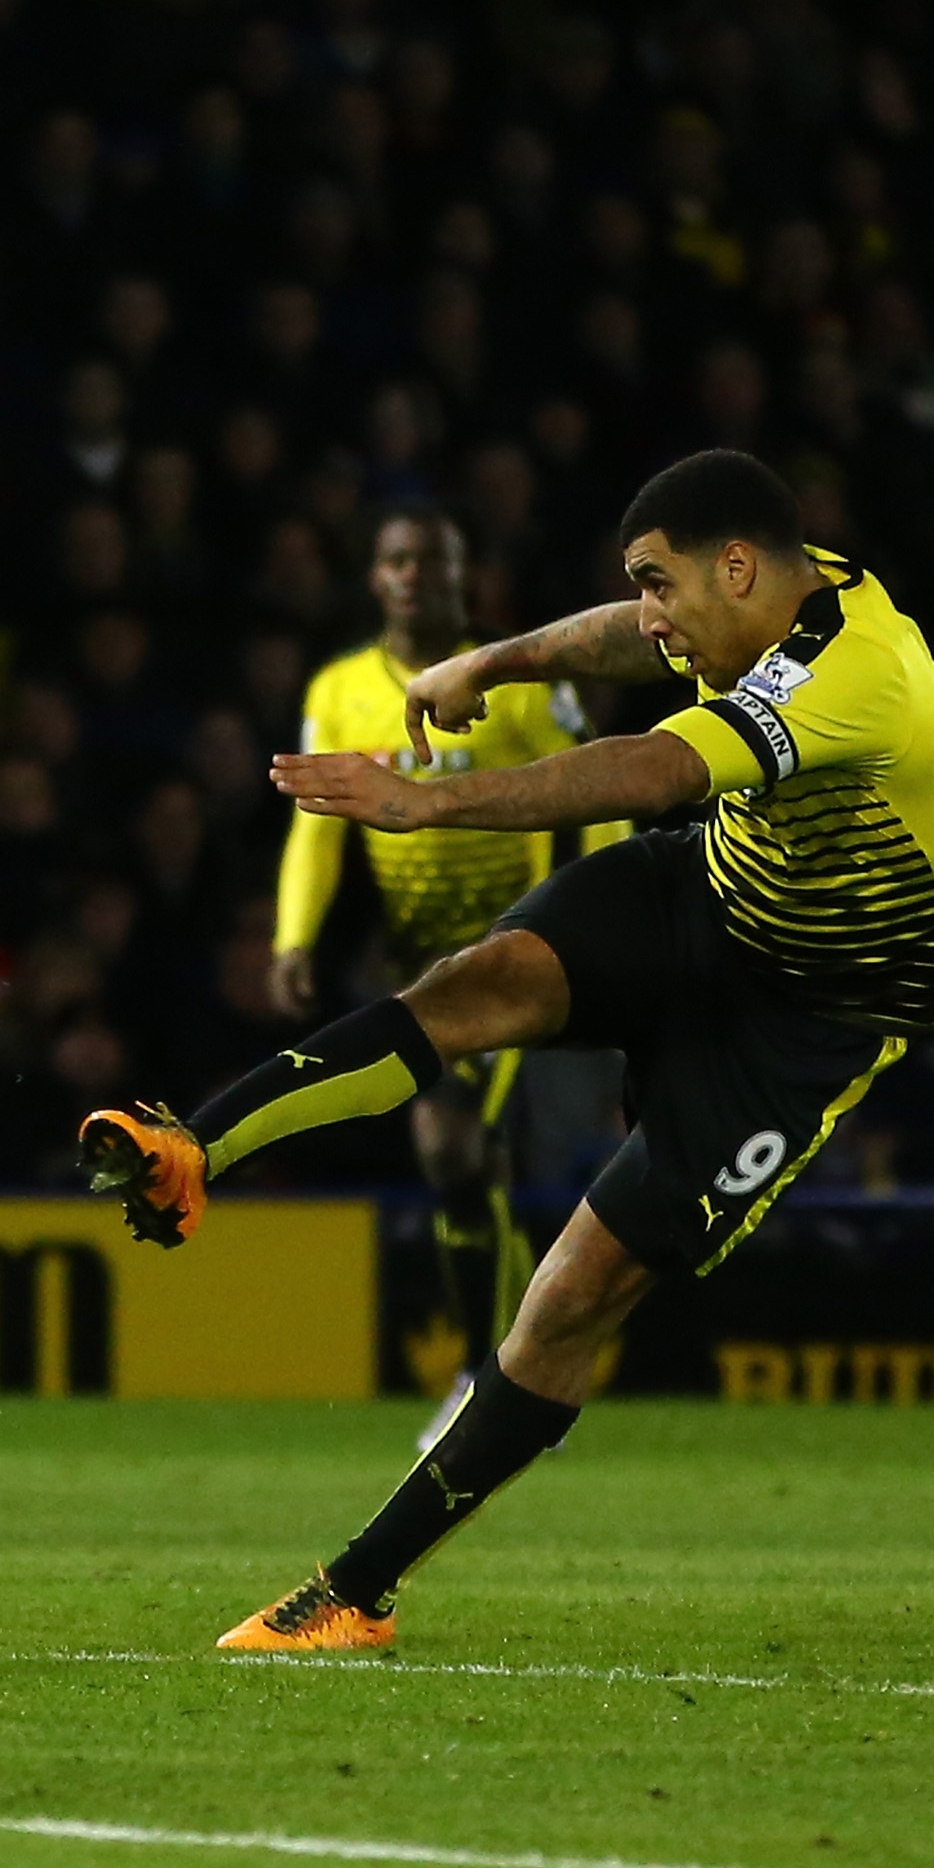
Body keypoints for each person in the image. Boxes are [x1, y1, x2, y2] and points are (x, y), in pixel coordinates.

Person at [83, 447, 934, 1652]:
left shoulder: (859, 672)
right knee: (477, 981)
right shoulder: (787, 586)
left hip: (815, 1009)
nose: (658, 619)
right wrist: (496, 657)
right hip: (712, 897)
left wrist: (430, 801)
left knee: (571, 1298)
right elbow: (629, 638)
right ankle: (194, 1143)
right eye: (645, 587)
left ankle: (353, 1594)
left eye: (665, 586)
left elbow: (656, 767)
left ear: (734, 567)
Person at [273, 511, 612, 1383]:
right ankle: (503, 1372)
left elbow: (602, 790)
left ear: (464, 577)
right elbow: (318, 828)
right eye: (396, 560)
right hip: (410, 956)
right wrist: (294, 936)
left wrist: (606, 910)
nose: (413, 575)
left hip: (512, 946)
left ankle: (483, 1376)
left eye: (431, 560)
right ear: (374, 578)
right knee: (465, 1163)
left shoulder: (519, 679)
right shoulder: (341, 689)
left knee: (450, 1143)